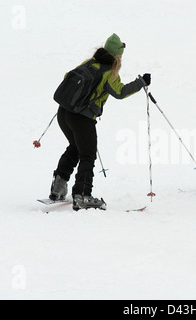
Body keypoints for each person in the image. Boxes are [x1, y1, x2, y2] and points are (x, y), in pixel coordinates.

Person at [49, 34, 151, 210]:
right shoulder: (108, 71)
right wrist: (140, 82)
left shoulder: (89, 63)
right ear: (118, 54)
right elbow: (119, 92)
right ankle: (82, 196)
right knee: (87, 155)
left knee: (75, 148)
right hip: (82, 118)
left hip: (64, 113)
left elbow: (68, 76)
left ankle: (58, 188)